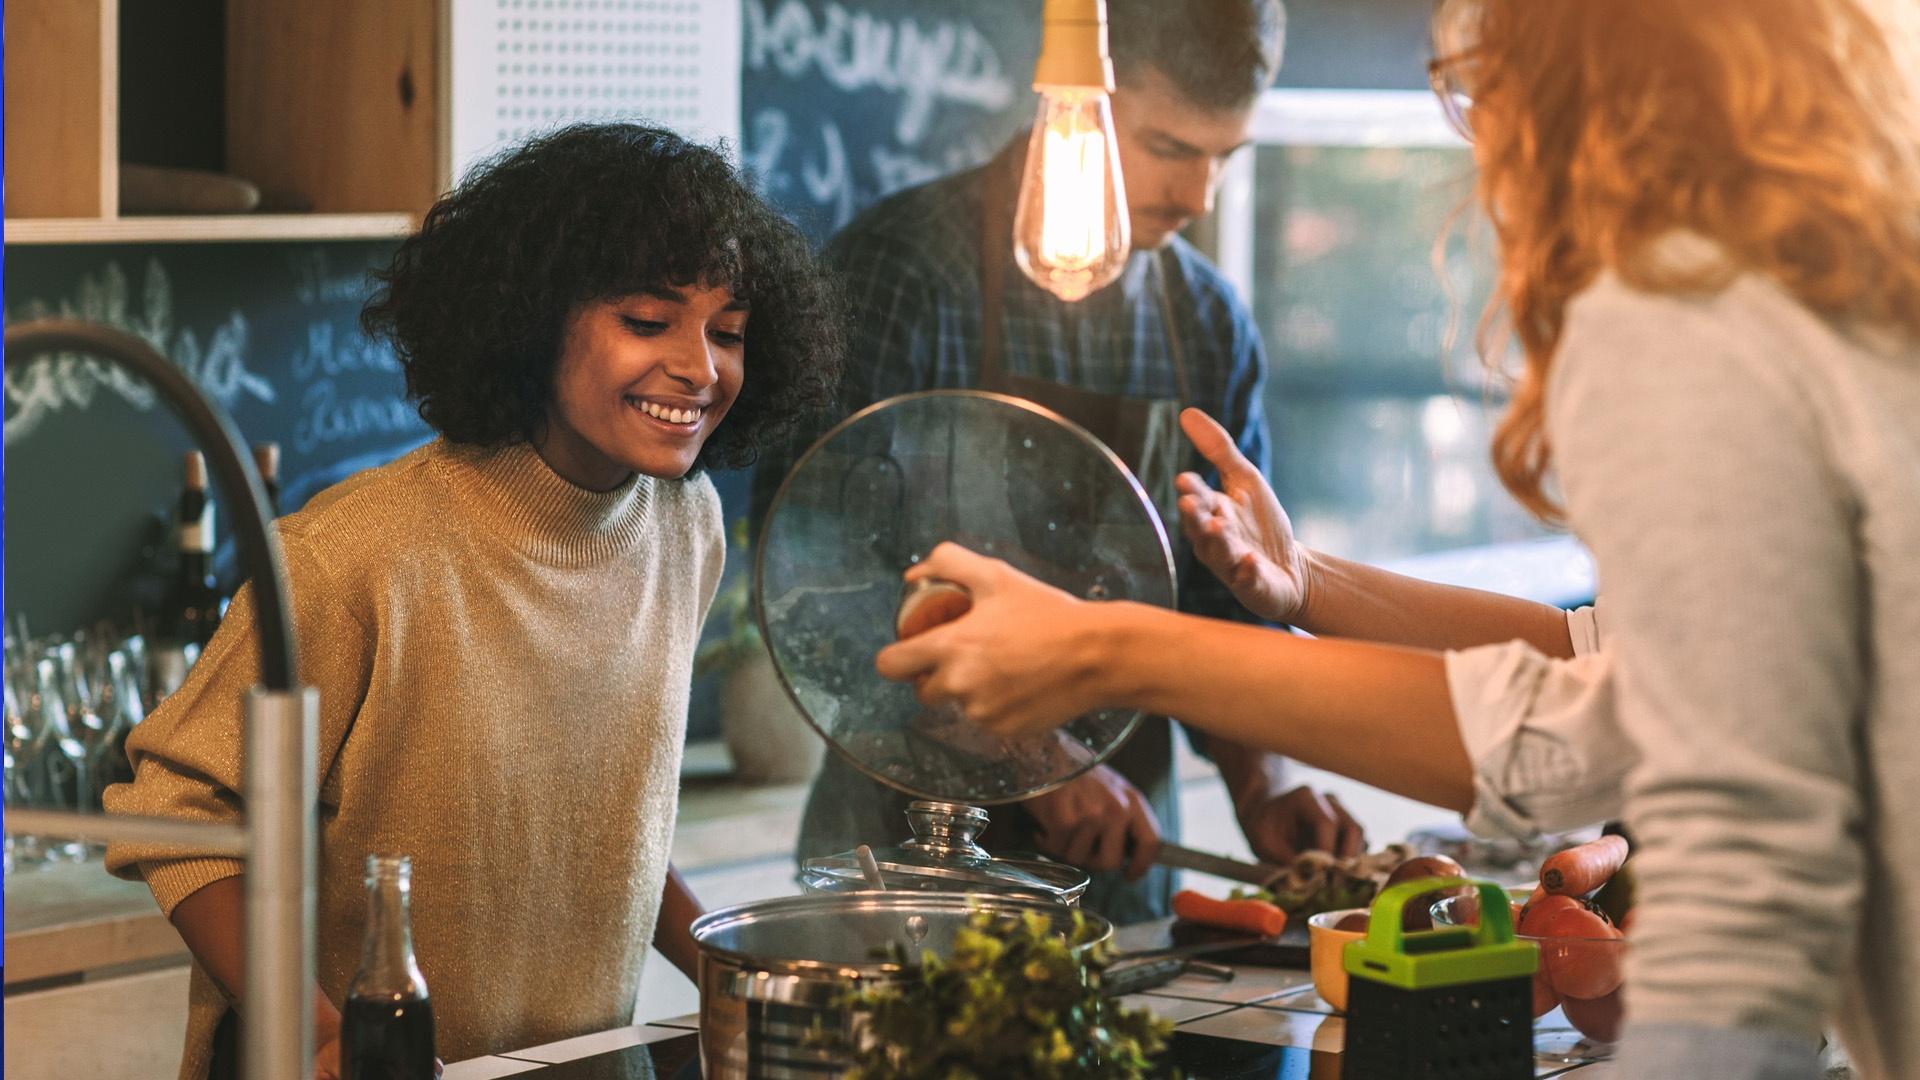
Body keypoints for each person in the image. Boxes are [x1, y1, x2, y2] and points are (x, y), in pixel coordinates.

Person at [875, 0, 1920, 1075]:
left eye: (1486, 102)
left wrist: (1112, 648)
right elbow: (1608, 662)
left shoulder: (1720, 326)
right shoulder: (1847, 305)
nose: (1487, 166)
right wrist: (1310, 583)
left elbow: (1600, 739)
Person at [103, 123, 844, 1080]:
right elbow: (180, 810)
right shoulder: (352, 556)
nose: (700, 367)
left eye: (728, 332)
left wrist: (726, 971)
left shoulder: (686, 524)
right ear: (534, 322)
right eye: (650, 322)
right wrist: (325, 1033)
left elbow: (597, 824)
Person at [750, 0, 1364, 924]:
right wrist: (1035, 760)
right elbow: (819, 582)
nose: (1199, 196)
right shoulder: (899, 270)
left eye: (1224, 157)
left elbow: (1222, 604)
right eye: (1168, 146)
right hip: (900, 870)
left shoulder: (1206, 323)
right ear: (1074, 103)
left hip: (1122, 873)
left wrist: (1264, 787)